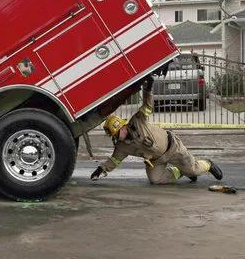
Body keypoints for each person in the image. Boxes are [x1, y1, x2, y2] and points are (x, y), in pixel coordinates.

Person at [91, 75, 223, 184]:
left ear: (122, 127)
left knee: (194, 170)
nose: (115, 138)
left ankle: (208, 164)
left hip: (172, 148)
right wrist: (101, 169)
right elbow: (114, 160)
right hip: (156, 160)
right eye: (113, 136)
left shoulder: (137, 121)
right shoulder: (121, 147)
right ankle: (181, 171)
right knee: (155, 180)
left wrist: (148, 89)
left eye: (115, 134)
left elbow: (147, 106)